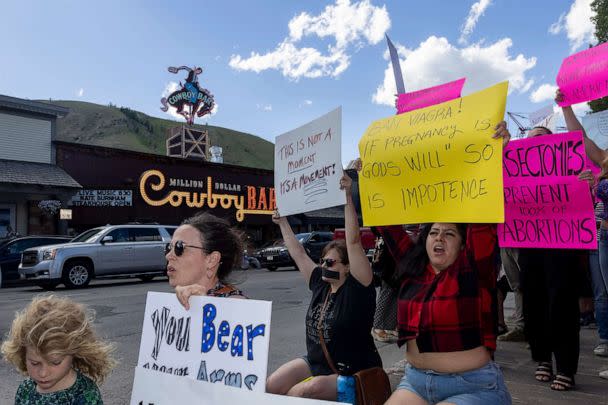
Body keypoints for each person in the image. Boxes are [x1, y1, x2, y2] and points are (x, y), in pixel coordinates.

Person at [374, 122, 512, 405]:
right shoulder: (411, 268)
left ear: (463, 245)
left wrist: (492, 157)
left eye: (449, 233)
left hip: (473, 386)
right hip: (415, 382)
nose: (439, 238)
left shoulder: (474, 270)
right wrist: (371, 175)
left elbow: (481, 215)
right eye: (434, 232)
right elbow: (386, 222)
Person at [265, 173, 381, 401]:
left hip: (353, 370)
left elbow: (353, 241)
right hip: (316, 362)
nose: (324, 266)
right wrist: (282, 222)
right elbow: (298, 252)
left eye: (330, 262)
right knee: (272, 385)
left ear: (347, 267)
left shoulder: (359, 287)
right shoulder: (320, 283)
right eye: (322, 261)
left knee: (302, 392)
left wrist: (347, 196)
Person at [1, 295, 116, 404]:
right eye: (34, 363)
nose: (43, 373)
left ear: (75, 353)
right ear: (23, 355)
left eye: (56, 362)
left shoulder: (85, 394)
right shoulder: (25, 390)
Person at [165, 212, 246, 308]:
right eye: (169, 247)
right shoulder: (171, 305)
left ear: (212, 260)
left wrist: (204, 304)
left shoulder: (238, 306)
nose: (169, 256)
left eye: (180, 247)